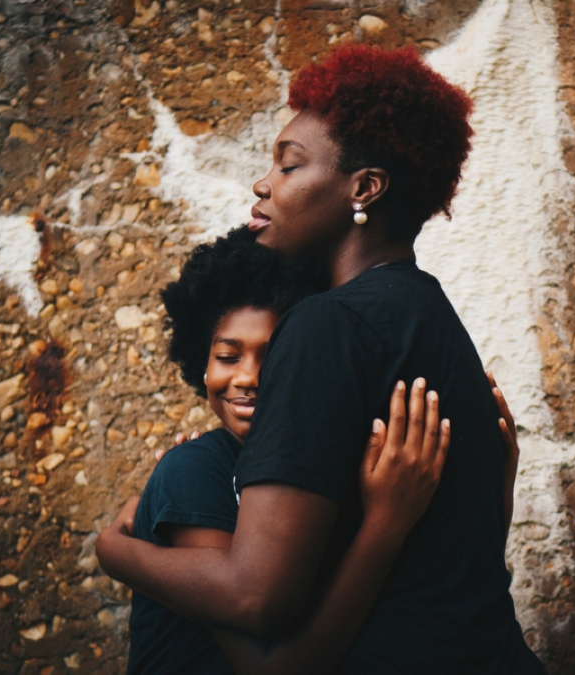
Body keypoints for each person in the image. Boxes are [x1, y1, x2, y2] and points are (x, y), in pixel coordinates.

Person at [97, 44, 547, 673]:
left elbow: (255, 597)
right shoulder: (432, 317)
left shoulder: (325, 326)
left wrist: (116, 550)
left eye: (289, 165)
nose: (264, 184)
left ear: (364, 188)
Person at [129, 226, 451, 674]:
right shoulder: (195, 471)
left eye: (274, 357)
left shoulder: (315, 472)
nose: (248, 377)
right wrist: (385, 525)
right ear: (201, 365)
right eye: (228, 357)